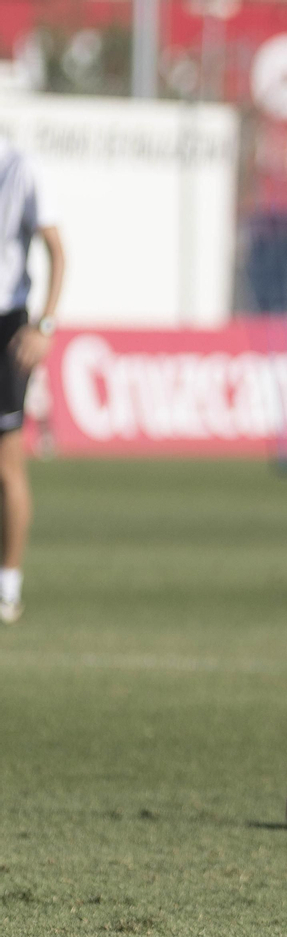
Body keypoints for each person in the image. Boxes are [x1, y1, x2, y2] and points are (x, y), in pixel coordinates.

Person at [0, 133, 64, 625]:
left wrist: (43, 326)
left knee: (6, 467)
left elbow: (56, 251)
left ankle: (8, 585)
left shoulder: (18, 165)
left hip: (5, 324)